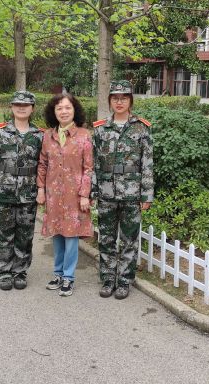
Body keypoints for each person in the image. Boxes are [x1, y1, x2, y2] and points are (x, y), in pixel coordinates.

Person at [91, 80, 153, 300]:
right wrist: (93, 190)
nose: (119, 102)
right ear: (110, 101)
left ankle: (125, 281)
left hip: (131, 193)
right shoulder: (100, 129)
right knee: (106, 238)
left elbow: (147, 163)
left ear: (130, 101)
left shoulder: (141, 128)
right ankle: (108, 279)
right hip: (106, 192)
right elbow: (94, 162)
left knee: (129, 240)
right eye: (115, 98)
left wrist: (147, 194)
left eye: (124, 98)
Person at [0, 91, 43, 291]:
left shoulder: (39, 135)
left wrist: (42, 190)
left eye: (26, 105)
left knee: (25, 235)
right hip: (3, 192)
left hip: (28, 193)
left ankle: (20, 272)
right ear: (12, 107)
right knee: (3, 234)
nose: (21, 108)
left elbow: (44, 165)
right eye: (17, 105)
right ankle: (4, 273)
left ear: (32, 108)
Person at [36, 93, 93, 297]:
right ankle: (58, 273)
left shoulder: (84, 135)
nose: (64, 111)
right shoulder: (48, 136)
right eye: (59, 108)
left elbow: (88, 168)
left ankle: (69, 277)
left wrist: (85, 194)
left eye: (68, 107)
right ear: (54, 112)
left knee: (71, 236)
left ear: (74, 110)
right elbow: (42, 164)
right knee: (57, 234)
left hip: (74, 196)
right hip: (53, 195)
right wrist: (41, 189)